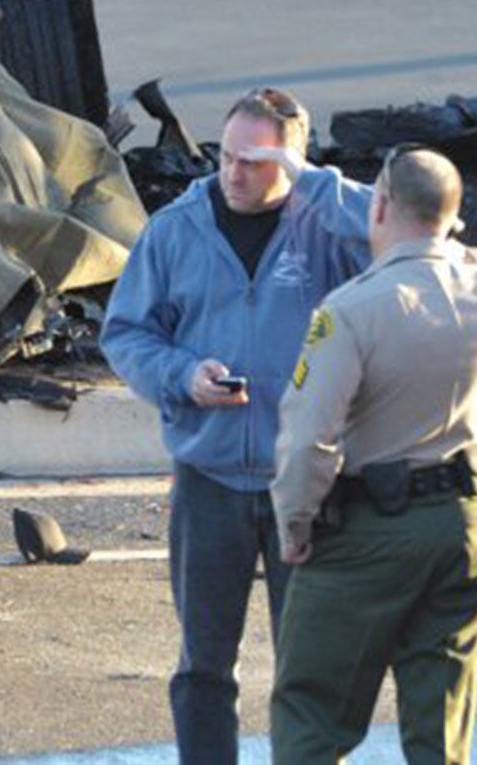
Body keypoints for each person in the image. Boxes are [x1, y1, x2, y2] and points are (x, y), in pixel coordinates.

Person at [100, 87, 374, 763]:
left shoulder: (328, 223)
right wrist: (183, 376)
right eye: (227, 153)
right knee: (202, 666)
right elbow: (127, 333)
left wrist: (314, 181)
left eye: (256, 158)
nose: (233, 170)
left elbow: (411, 231)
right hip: (208, 480)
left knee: (308, 669)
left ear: (293, 160)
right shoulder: (176, 228)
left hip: (304, 483)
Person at [270, 148, 477, 764]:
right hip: (467, 525)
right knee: (441, 720)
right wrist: (458, 244)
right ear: (454, 217)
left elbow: (307, 435)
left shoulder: (351, 309)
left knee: (311, 716)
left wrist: (295, 524)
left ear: (381, 206)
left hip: (369, 533)